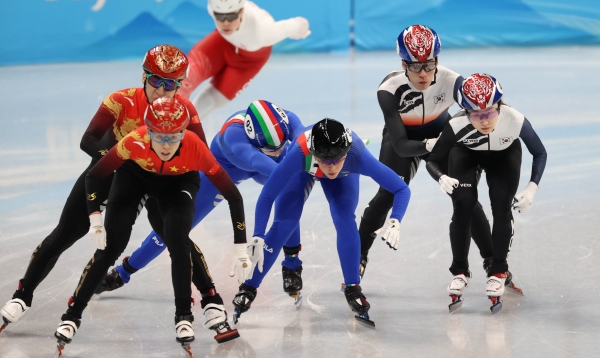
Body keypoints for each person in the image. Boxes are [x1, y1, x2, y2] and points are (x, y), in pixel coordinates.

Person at [0, 44, 209, 333]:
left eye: (171, 83)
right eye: (156, 81)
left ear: (179, 84)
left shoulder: (185, 110)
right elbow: (89, 139)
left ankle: (210, 300)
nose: (162, 90)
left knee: (175, 237)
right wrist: (116, 163)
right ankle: (22, 296)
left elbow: (201, 154)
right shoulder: (120, 101)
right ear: (143, 77)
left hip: (158, 179)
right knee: (67, 232)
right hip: (113, 172)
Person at [53, 97, 245, 356]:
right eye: (158, 136)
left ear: (183, 132)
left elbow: (233, 196)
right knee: (111, 247)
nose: (166, 145)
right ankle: (72, 314)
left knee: (177, 239)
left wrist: (240, 246)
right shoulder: (133, 141)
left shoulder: (195, 147)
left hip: (177, 183)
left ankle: (184, 316)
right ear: (147, 131)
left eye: (173, 136)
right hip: (135, 178)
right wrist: (95, 219)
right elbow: (94, 175)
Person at [96, 99, 308, 300]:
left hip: (260, 164)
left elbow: (303, 138)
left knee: (289, 197)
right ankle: (123, 272)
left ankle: (292, 265)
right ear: (253, 137)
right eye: (273, 149)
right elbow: (257, 160)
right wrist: (297, 168)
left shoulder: (286, 121)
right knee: (171, 229)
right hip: (224, 171)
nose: (279, 151)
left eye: (282, 145)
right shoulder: (233, 135)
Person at [232, 118, 411, 326]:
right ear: (314, 153)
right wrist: (257, 235)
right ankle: (254, 285)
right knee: (285, 221)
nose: (332, 167)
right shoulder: (299, 152)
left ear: (346, 153)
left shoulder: (356, 155)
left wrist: (396, 219)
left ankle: (353, 287)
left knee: (344, 218)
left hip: (345, 175)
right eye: (325, 161)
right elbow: (267, 196)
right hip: (303, 170)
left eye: (337, 159)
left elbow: (401, 188)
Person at [358, 25, 494, 279]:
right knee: (387, 194)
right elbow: (399, 145)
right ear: (403, 63)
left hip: (442, 132)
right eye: (415, 66)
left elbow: (481, 113)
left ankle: (492, 261)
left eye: (429, 65)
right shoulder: (389, 89)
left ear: (437, 60)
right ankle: (359, 255)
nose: (423, 73)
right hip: (404, 138)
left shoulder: (454, 82)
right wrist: (430, 145)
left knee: (465, 195)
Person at [425, 73, 547, 313]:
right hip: (466, 152)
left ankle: (498, 269)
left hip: (504, 154)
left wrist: (532, 187)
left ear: (499, 106)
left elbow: (540, 153)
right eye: (476, 115)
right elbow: (433, 160)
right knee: (463, 205)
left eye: (490, 112)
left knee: (501, 206)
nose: (484, 121)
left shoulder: (515, 119)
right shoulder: (457, 124)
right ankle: (460, 270)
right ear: (466, 112)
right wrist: (441, 176)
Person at [177, 0, 311, 118]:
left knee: (208, 103)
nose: (225, 23)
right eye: (219, 17)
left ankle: (184, 131)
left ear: (241, 10)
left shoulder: (263, 32)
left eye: (231, 16)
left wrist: (301, 27)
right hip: (222, 43)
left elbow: (292, 26)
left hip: (248, 61)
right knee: (182, 81)